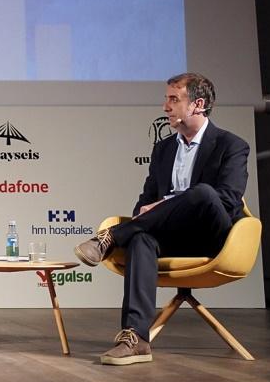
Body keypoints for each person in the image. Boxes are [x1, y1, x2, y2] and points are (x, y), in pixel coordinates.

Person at [74, 72, 249, 365]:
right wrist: (152, 209)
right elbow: (145, 202)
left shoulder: (231, 145)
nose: (165, 107)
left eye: (173, 99)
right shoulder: (164, 148)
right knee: (141, 238)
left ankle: (113, 237)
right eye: (166, 99)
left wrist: (167, 203)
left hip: (211, 235)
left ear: (198, 105)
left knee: (204, 193)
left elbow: (229, 201)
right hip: (171, 235)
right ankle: (136, 338)